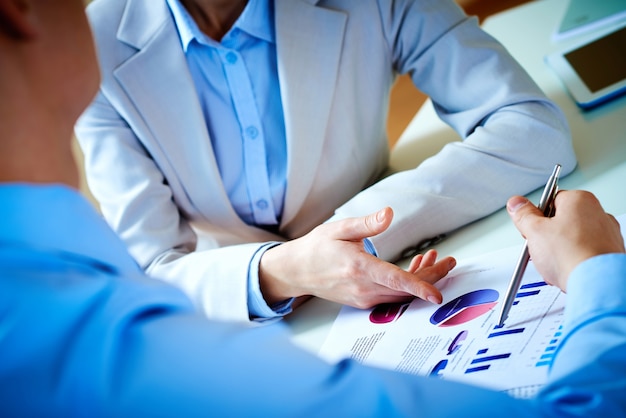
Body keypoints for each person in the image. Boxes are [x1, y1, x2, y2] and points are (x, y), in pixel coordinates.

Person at [1, 2, 626, 416]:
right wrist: (601, 271)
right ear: (20, 10)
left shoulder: (47, 285)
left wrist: (356, 237)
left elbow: (530, 128)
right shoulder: (137, 352)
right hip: (268, 321)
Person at [74, 0, 578, 322]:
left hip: (394, 275)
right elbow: (151, 271)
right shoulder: (84, 46)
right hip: (231, 310)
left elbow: (534, 130)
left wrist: (367, 228)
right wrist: (288, 269)